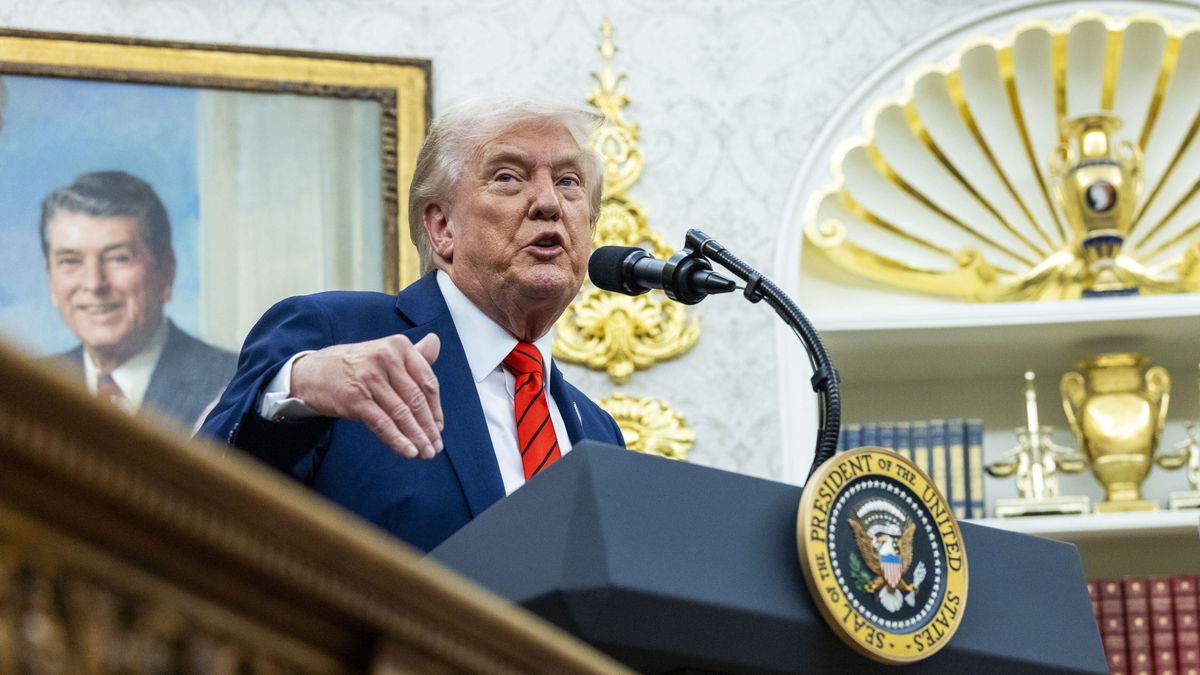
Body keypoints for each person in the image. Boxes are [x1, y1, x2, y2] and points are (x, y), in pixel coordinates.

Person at [200, 99, 626, 553]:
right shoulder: (335, 335)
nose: (548, 203)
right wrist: (298, 389)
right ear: (442, 227)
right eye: (507, 177)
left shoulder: (598, 429)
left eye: (568, 181)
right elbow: (202, 506)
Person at [42, 170, 237, 429]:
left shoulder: (236, 384)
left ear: (166, 272)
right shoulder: (25, 387)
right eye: (71, 261)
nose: (94, 283)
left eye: (119, 258)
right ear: (51, 278)